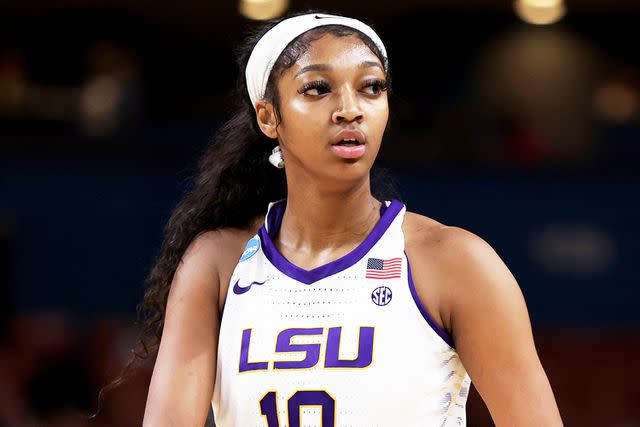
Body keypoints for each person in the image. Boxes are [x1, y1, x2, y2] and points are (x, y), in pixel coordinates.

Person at [107, 10, 563, 426]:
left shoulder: (456, 261)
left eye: (372, 87)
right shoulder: (217, 264)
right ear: (269, 116)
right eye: (317, 89)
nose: (350, 108)